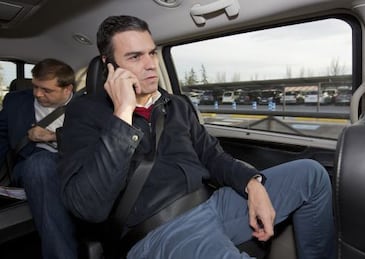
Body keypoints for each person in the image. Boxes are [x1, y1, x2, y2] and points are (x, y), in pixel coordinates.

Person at [58, 15, 335, 259]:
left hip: (212, 204)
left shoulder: (175, 105)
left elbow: (213, 156)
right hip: (163, 228)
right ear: (109, 66)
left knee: (311, 175)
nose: (150, 64)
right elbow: (88, 207)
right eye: (134, 57)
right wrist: (123, 114)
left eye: (152, 54)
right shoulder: (84, 113)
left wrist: (253, 184)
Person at [0, 58, 78, 259]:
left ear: (67, 89)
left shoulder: (85, 107)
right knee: (41, 165)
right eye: (35, 86)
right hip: (31, 164)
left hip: (72, 165)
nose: (37, 94)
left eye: (46, 90)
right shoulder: (15, 101)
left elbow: (90, 141)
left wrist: (53, 136)